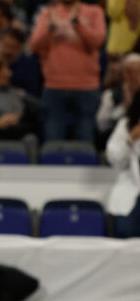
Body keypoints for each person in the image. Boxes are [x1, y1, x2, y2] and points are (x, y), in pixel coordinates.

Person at [30, 0, 106, 143]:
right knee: (53, 139)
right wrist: (50, 28)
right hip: (54, 85)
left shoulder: (94, 12)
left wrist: (78, 24)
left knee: (85, 137)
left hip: (86, 86)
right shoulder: (48, 13)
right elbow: (35, 45)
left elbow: (97, 41)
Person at [106, 89, 140, 238]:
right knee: (126, 238)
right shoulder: (125, 126)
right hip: (132, 194)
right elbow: (114, 159)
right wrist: (131, 137)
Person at [97, 53, 140, 148]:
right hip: (116, 141)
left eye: (137, 72)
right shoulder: (111, 94)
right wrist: (123, 107)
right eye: (129, 71)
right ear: (123, 73)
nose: (133, 76)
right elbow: (101, 124)